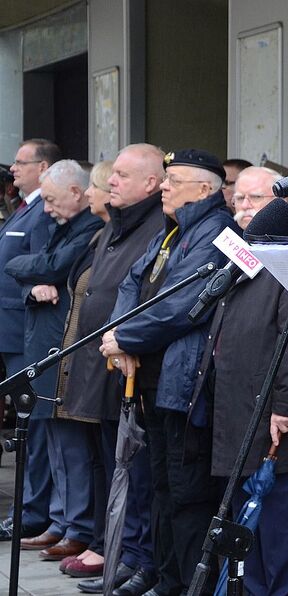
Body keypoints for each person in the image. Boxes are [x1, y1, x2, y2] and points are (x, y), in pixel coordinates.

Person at [100, 148, 236, 596]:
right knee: (159, 488)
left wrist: (128, 339)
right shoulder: (174, 230)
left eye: (173, 180)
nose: (163, 186)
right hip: (155, 386)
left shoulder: (216, 231)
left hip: (186, 389)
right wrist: (118, 335)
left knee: (186, 493)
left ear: (203, 188)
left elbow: (185, 305)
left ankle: (187, 584)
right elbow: (131, 283)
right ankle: (164, 575)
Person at [191, 166, 288, 595]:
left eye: (255, 200)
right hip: (236, 409)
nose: (243, 208)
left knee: (276, 522)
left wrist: (286, 406)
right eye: (239, 200)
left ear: (284, 204)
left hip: (274, 416)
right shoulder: (244, 254)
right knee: (244, 521)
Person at [53, 149, 166, 595]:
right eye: (112, 174)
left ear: (151, 184)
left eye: (121, 174)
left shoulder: (154, 226)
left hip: (133, 370)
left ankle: (139, 560)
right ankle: (123, 556)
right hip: (104, 364)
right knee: (117, 471)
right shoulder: (117, 224)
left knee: (136, 477)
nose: (111, 181)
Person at [4, 159, 104, 561]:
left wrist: (32, 272)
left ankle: (74, 524)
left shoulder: (90, 230)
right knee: (55, 443)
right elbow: (24, 264)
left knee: (71, 448)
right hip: (46, 346)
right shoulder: (64, 225)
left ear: (77, 193)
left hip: (64, 350)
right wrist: (33, 283)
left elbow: (48, 266)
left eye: (50, 199)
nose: (44, 209)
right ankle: (62, 521)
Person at [53, 160, 112, 579]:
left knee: (109, 461)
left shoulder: (131, 234)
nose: (89, 194)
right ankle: (92, 535)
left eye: (94, 186)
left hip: (108, 365)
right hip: (83, 361)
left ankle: (106, 543)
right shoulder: (101, 233)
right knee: (92, 458)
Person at [0, 139, 59, 542]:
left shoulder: (42, 212)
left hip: (25, 330)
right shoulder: (25, 207)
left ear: (44, 167)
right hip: (10, 330)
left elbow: (42, 269)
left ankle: (31, 511)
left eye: (22, 162)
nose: (14, 169)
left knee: (32, 423)